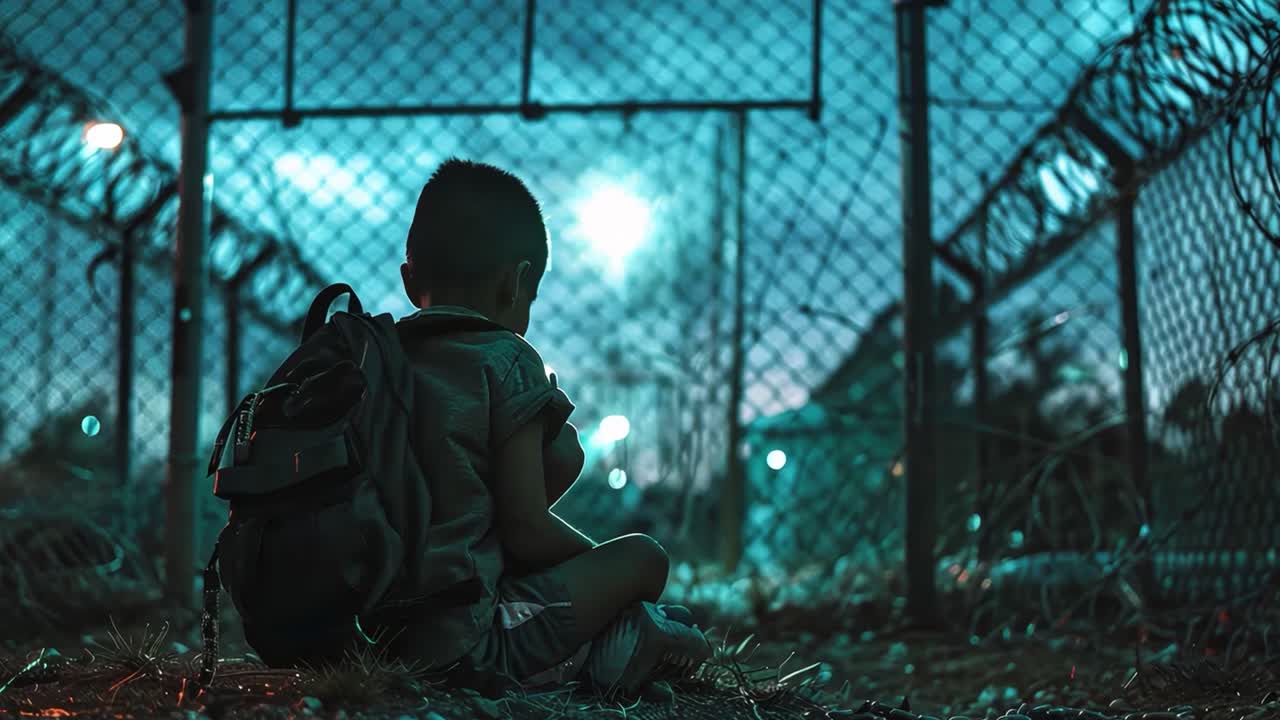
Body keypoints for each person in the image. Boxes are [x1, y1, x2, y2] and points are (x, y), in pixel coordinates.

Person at [386, 158, 710, 693]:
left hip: (360, 632)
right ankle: (605, 654)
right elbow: (525, 529)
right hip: (461, 642)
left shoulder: (380, 363)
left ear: (408, 278)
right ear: (516, 284)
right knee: (643, 558)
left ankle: (618, 643)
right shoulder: (505, 360)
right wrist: (612, 579)